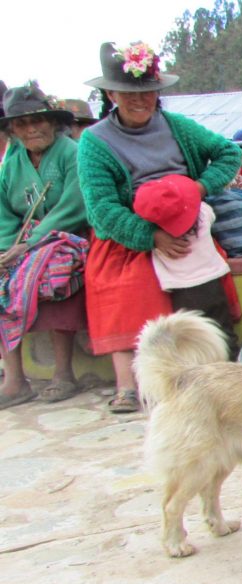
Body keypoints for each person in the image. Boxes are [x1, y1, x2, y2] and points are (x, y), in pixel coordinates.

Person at [79, 41, 242, 413]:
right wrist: (150, 236)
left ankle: (216, 376)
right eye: (130, 93)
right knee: (133, 289)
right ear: (110, 94)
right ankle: (139, 383)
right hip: (131, 234)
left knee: (201, 290)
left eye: (149, 92)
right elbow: (101, 208)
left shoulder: (177, 127)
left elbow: (229, 153)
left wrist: (197, 189)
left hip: (184, 227)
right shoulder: (94, 142)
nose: (141, 100)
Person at [0, 83, 89, 409]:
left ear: (53, 122)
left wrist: (33, 243)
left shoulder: (72, 153)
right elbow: (4, 211)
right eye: (22, 124)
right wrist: (6, 248)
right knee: (2, 277)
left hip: (69, 238)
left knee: (50, 271)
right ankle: (15, 379)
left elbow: (74, 205)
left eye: (38, 120)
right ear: (12, 131)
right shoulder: (12, 165)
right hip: (22, 244)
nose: (32, 128)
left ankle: (64, 373)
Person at [133, 175, 238, 354]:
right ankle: (231, 364)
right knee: (223, 330)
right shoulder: (203, 214)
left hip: (180, 293)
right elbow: (207, 211)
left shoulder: (160, 240)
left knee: (193, 341)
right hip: (212, 284)